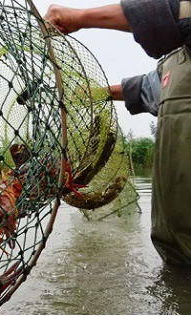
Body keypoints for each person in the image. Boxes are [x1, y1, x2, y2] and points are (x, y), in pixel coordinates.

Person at [44, 1, 191, 265]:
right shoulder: (175, 65)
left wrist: (81, 17)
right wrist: (96, 93)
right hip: (176, 251)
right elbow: (147, 87)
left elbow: (172, 14)